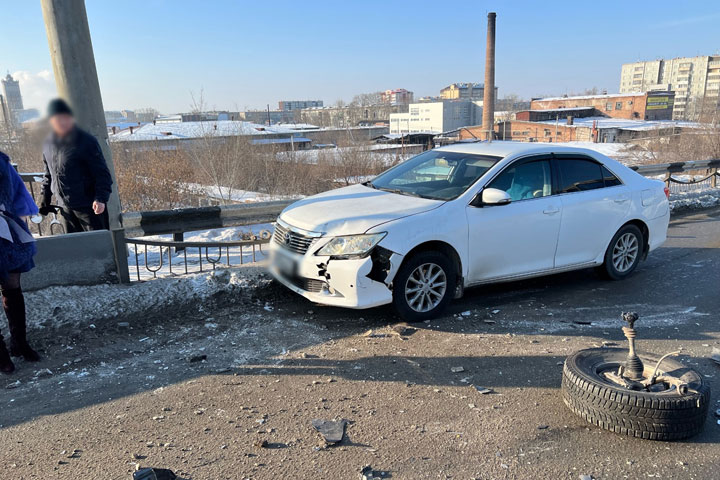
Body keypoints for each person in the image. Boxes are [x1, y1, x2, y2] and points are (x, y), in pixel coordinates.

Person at [40, 98, 113, 233]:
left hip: (89, 207)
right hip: (65, 209)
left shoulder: (86, 141)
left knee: (98, 248)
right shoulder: (48, 144)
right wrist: (44, 199)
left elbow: (102, 174)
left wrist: (100, 199)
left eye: (64, 117)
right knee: (75, 249)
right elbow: (48, 175)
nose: (61, 122)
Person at [0, 150, 41, 373]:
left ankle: (20, 343)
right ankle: (1, 352)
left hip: (6, 231)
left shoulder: (2, 161)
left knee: (13, 288)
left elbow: (19, 193)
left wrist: (20, 219)